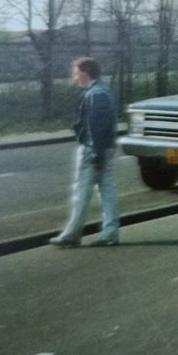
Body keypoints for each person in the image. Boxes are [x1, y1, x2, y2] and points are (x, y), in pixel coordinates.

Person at [51, 57, 121, 248]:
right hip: (103, 148)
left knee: (80, 192)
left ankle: (72, 234)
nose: (74, 78)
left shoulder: (95, 94)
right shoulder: (103, 91)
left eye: (75, 73)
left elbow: (96, 127)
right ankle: (110, 233)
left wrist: (96, 153)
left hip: (92, 150)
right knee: (107, 191)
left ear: (85, 72)